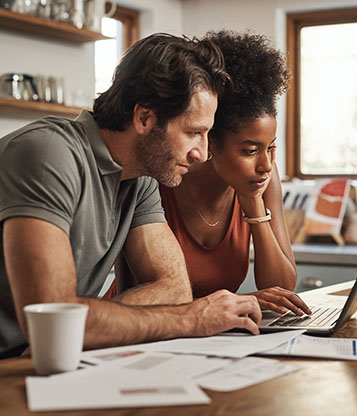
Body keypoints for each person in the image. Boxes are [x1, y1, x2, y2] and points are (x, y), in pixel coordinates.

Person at [0, 33, 262, 359]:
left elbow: (175, 289)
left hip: (42, 361)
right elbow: (54, 322)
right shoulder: (48, 154)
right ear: (144, 118)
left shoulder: (139, 179)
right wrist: (191, 319)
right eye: (194, 133)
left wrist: (85, 324)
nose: (203, 153)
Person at [156, 31, 312, 316]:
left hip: (211, 339)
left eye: (271, 148)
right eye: (250, 151)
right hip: (141, 335)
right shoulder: (163, 179)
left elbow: (283, 288)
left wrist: (253, 203)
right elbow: (147, 294)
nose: (266, 165)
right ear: (210, 142)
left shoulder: (261, 180)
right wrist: (242, 301)